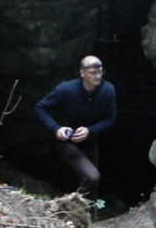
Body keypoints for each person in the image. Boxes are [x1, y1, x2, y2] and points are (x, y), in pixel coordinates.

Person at [34, 55, 116, 201]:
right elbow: (40, 107)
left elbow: (110, 118)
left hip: (90, 140)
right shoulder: (66, 89)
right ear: (82, 73)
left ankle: (90, 215)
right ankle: (75, 210)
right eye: (93, 73)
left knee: (92, 181)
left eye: (100, 72)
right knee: (93, 177)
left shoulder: (108, 90)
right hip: (67, 141)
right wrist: (56, 128)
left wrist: (90, 130)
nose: (98, 76)